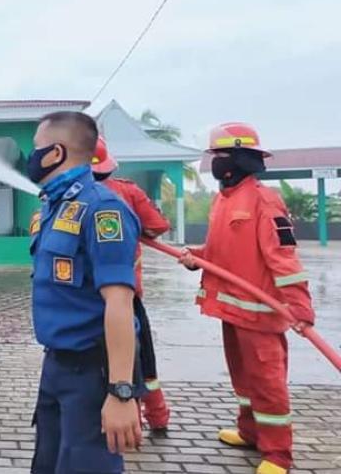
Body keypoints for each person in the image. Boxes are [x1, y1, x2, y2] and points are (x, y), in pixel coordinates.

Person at [179, 122, 315, 474]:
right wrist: (198, 256)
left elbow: (284, 257)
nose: (214, 164)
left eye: (220, 156)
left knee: (267, 382)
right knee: (243, 379)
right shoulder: (221, 201)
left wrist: (299, 306)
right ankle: (250, 432)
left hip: (260, 312)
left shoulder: (264, 200)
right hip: (231, 308)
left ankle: (278, 454)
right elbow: (221, 250)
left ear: (239, 159)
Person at [27, 111, 143, 474]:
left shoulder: (102, 209)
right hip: (56, 367)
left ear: (55, 153)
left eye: (35, 148)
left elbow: (121, 303)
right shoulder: (54, 205)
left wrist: (121, 392)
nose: (30, 157)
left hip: (92, 374)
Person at [91, 136, 172, 431]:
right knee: (142, 358)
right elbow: (159, 225)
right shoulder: (127, 192)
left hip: (86, 297)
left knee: (102, 361)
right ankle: (156, 416)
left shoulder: (68, 199)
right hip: (127, 293)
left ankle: (127, 419)